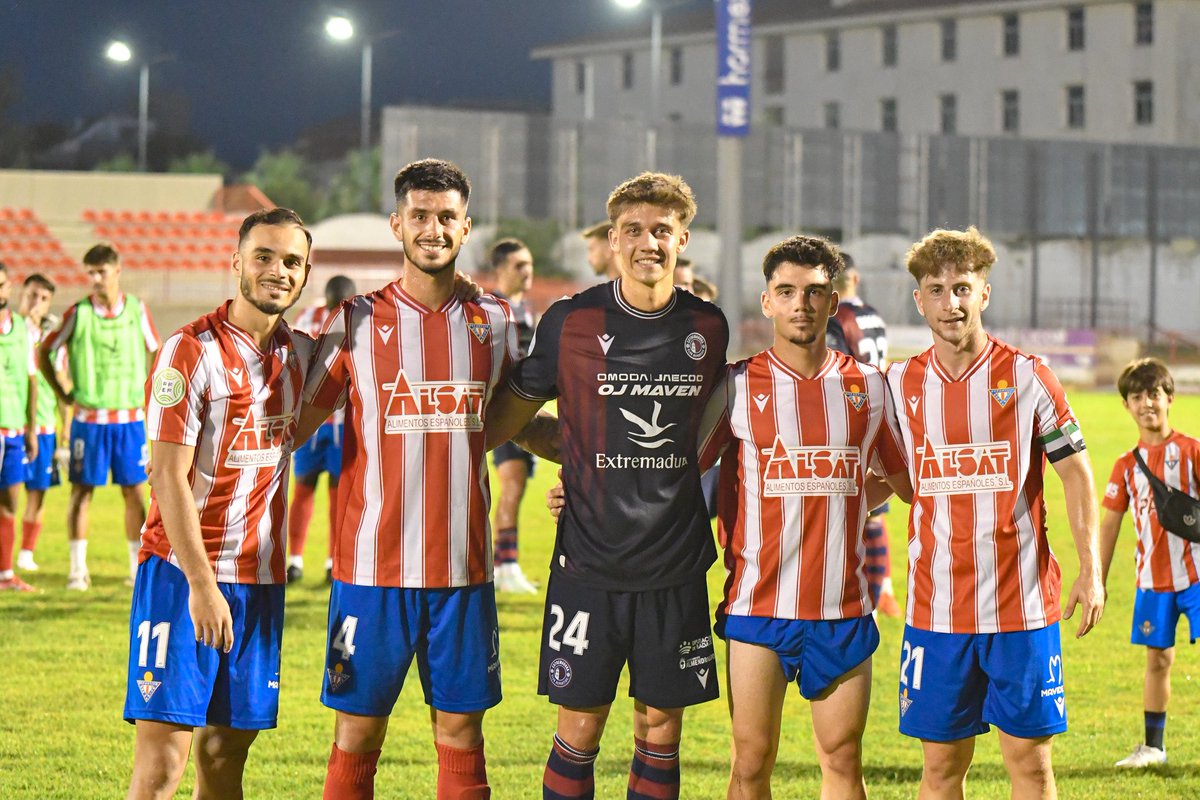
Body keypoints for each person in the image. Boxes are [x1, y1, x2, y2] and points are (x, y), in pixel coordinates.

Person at [486, 172, 729, 799]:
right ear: (613, 240)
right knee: (580, 723)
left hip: (675, 562)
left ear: (682, 239)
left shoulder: (708, 327)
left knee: (660, 726)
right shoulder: (572, 321)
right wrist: (570, 456)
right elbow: (509, 418)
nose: (648, 242)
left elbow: (708, 435)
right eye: (634, 231)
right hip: (588, 560)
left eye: (662, 231)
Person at [298, 159, 518, 800]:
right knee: (358, 736)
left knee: (460, 735)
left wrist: (595, 465)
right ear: (397, 224)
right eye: (420, 216)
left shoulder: (496, 322)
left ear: (466, 226)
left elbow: (515, 419)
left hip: (462, 571)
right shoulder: (355, 321)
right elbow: (297, 421)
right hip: (370, 573)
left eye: (446, 217)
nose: (433, 228)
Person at [886, 227, 1104, 799]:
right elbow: (892, 477)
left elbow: (1076, 473)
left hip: (1021, 608)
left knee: (1030, 767)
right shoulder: (899, 384)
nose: (950, 302)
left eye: (962, 288)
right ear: (919, 299)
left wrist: (1092, 569)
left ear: (984, 293)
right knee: (939, 772)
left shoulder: (1028, 376)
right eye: (936, 289)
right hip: (937, 612)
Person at [698, 235, 910, 798]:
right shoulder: (737, 384)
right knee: (751, 762)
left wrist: (851, 497)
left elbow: (904, 478)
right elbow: (675, 466)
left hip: (840, 606)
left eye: (815, 292)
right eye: (786, 291)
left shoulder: (868, 386)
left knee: (842, 762)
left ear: (834, 301)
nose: (801, 304)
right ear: (767, 302)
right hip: (756, 605)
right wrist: (579, 487)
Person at [123, 207, 313, 799]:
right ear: (236, 263)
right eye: (263, 256)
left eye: (291, 262)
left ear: (305, 275)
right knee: (163, 765)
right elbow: (169, 479)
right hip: (183, 575)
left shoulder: (301, 356)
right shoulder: (187, 352)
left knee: (225, 754)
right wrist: (202, 586)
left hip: (258, 580)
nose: (277, 271)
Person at [40, 242, 161, 590]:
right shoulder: (78, 313)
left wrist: (147, 393)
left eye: (101, 272)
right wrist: (64, 393)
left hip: (128, 420)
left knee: (135, 494)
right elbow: (45, 351)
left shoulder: (137, 309)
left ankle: (136, 569)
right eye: (90, 273)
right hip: (89, 420)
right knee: (81, 493)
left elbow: (157, 349)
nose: (95, 279)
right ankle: (77, 570)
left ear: (116, 271)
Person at [1099, 358, 1200, 768]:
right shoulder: (1125, 466)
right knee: (1157, 660)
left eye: (1154, 395)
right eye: (1137, 397)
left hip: (1197, 576)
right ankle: (1154, 748)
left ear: (1170, 398)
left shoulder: (1193, 452)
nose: (1147, 404)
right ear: (1126, 406)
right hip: (1151, 582)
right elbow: (1109, 526)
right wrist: (1097, 581)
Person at [830, 254, 900, 617]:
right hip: (880, 412)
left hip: (852, 418)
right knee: (873, 511)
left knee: (851, 513)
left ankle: (864, 598)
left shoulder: (836, 319)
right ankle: (881, 588)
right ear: (854, 278)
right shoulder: (872, 313)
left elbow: (836, 373)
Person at [287, 274, 357, 584]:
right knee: (306, 487)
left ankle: (331, 561)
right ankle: (296, 560)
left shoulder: (359, 321)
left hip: (342, 422)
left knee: (332, 492)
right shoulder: (309, 317)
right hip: (315, 421)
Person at [488, 238, 540, 594]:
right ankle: (505, 566)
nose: (527, 271)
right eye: (519, 265)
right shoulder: (492, 308)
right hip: (504, 412)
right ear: (501, 269)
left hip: (527, 413)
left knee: (516, 488)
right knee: (511, 485)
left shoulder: (525, 309)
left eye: (529, 264)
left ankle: (503, 564)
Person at [17, 273, 62, 574]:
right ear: (22, 294)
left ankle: (25, 553)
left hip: (45, 424)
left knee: (38, 491)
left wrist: (66, 429)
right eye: (33, 295)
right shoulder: (9, 328)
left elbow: (62, 380)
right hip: (12, 423)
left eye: (44, 299)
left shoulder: (51, 339)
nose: (37, 303)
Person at [0, 261, 38, 592]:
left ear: (8, 287)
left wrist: (30, 427)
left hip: (13, 430)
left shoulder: (22, 330)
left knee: (10, 502)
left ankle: (5, 574)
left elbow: (31, 379)